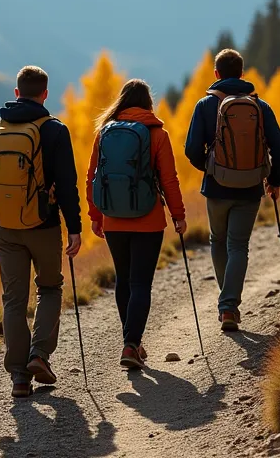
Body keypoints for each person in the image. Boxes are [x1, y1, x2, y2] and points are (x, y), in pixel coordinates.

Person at [0, 65, 82, 398]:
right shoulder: (54, 130)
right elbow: (67, 184)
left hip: (4, 227)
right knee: (50, 288)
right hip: (44, 224)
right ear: (45, 94)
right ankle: (39, 354)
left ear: (16, 92)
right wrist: (75, 227)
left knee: (13, 299)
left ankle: (19, 377)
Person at [184, 49, 280, 332]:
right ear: (242, 74)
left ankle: (227, 304)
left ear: (216, 74)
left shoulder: (205, 105)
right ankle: (229, 305)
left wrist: (208, 166)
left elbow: (191, 149)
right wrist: (274, 181)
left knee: (218, 240)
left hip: (217, 186)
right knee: (238, 245)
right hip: (251, 186)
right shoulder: (261, 106)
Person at [86, 79, 186, 370]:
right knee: (141, 282)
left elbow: (92, 176)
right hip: (148, 218)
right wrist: (178, 215)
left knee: (124, 280)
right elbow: (169, 180)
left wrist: (96, 215)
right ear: (148, 103)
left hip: (114, 218)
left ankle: (131, 342)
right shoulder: (158, 134)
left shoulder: (104, 132)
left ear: (122, 101)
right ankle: (131, 343)